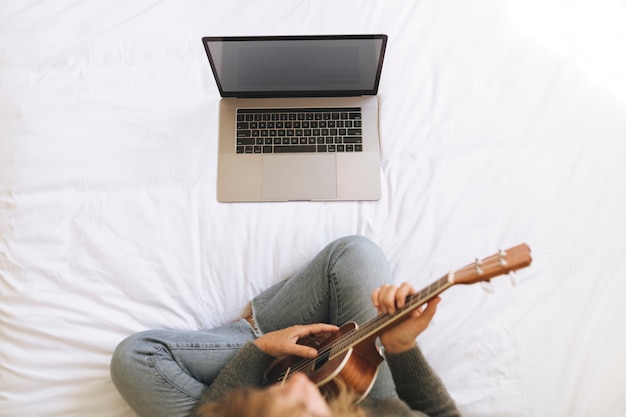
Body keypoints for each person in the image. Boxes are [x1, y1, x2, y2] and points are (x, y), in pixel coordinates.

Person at [110, 236, 460, 417]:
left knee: (136, 359)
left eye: (279, 396)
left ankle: (256, 332)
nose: (297, 385)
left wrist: (259, 351)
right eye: (302, 409)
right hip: (366, 391)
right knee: (356, 255)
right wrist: (400, 348)